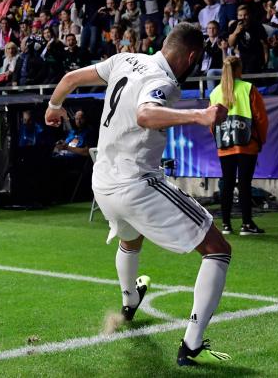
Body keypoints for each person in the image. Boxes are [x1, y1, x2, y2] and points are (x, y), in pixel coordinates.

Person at [45, 23, 232, 366]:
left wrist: (55, 106)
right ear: (191, 57)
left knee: (130, 241)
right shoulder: (162, 82)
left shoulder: (125, 59)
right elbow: (145, 114)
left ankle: (130, 301)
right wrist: (200, 115)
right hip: (136, 184)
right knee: (218, 251)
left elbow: (71, 77)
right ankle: (191, 344)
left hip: (102, 183)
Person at [209, 57, 269, 236]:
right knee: (244, 184)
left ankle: (226, 225)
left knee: (226, 183)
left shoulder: (215, 92)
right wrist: (260, 140)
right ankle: (246, 224)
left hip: (225, 143)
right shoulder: (248, 88)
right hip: (246, 143)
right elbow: (261, 118)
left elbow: (211, 122)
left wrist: (218, 140)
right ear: (238, 70)